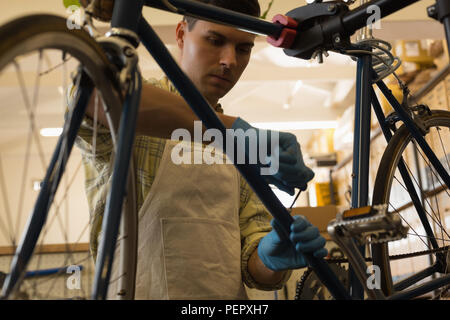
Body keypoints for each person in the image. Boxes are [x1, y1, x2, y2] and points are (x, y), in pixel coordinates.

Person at [76, 0, 327, 299]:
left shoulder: (245, 149)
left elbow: (252, 264)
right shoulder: (141, 112)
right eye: (215, 40)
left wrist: (271, 256)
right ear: (182, 34)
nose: (229, 61)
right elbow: (93, 94)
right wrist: (228, 132)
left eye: (243, 48)